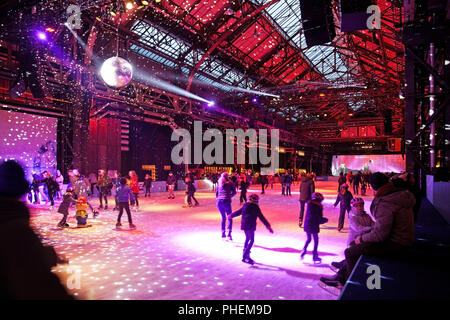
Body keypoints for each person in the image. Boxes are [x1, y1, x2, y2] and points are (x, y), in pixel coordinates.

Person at [321, 172, 416, 290]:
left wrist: (361, 238)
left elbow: (380, 235)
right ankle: (340, 276)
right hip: (400, 238)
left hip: (395, 243)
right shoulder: (397, 194)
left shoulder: (386, 202)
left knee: (350, 251)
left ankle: (347, 284)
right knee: (352, 245)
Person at [0, 160, 73, 299]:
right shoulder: (16, 226)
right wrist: (48, 256)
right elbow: (33, 270)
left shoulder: (13, 222)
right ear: (18, 190)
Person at [330, 197, 374, 272]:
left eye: (361, 205)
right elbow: (358, 228)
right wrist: (370, 228)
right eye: (356, 206)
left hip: (362, 241)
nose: (359, 207)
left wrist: (376, 227)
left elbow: (374, 224)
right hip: (353, 241)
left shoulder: (366, 216)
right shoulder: (352, 216)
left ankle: (342, 267)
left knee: (355, 258)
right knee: (352, 257)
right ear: (352, 207)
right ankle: (342, 270)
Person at [228, 194, 273, 265]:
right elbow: (261, 217)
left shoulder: (245, 205)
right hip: (251, 225)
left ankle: (245, 252)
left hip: (244, 224)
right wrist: (268, 226)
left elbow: (238, 212)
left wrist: (231, 215)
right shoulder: (255, 207)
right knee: (251, 240)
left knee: (247, 238)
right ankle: (245, 255)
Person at [300, 192, 327, 263]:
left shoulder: (309, 204)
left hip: (307, 224)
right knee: (316, 240)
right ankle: (315, 255)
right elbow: (318, 217)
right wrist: (324, 220)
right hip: (314, 225)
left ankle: (304, 249)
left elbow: (311, 215)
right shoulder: (319, 206)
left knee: (308, 239)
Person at [216, 172, 236, 240]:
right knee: (229, 217)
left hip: (219, 202)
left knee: (223, 217)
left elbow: (216, 194)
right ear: (227, 177)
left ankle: (223, 233)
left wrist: (220, 197)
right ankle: (229, 234)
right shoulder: (230, 183)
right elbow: (234, 192)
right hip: (226, 201)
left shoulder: (219, 184)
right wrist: (229, 196)